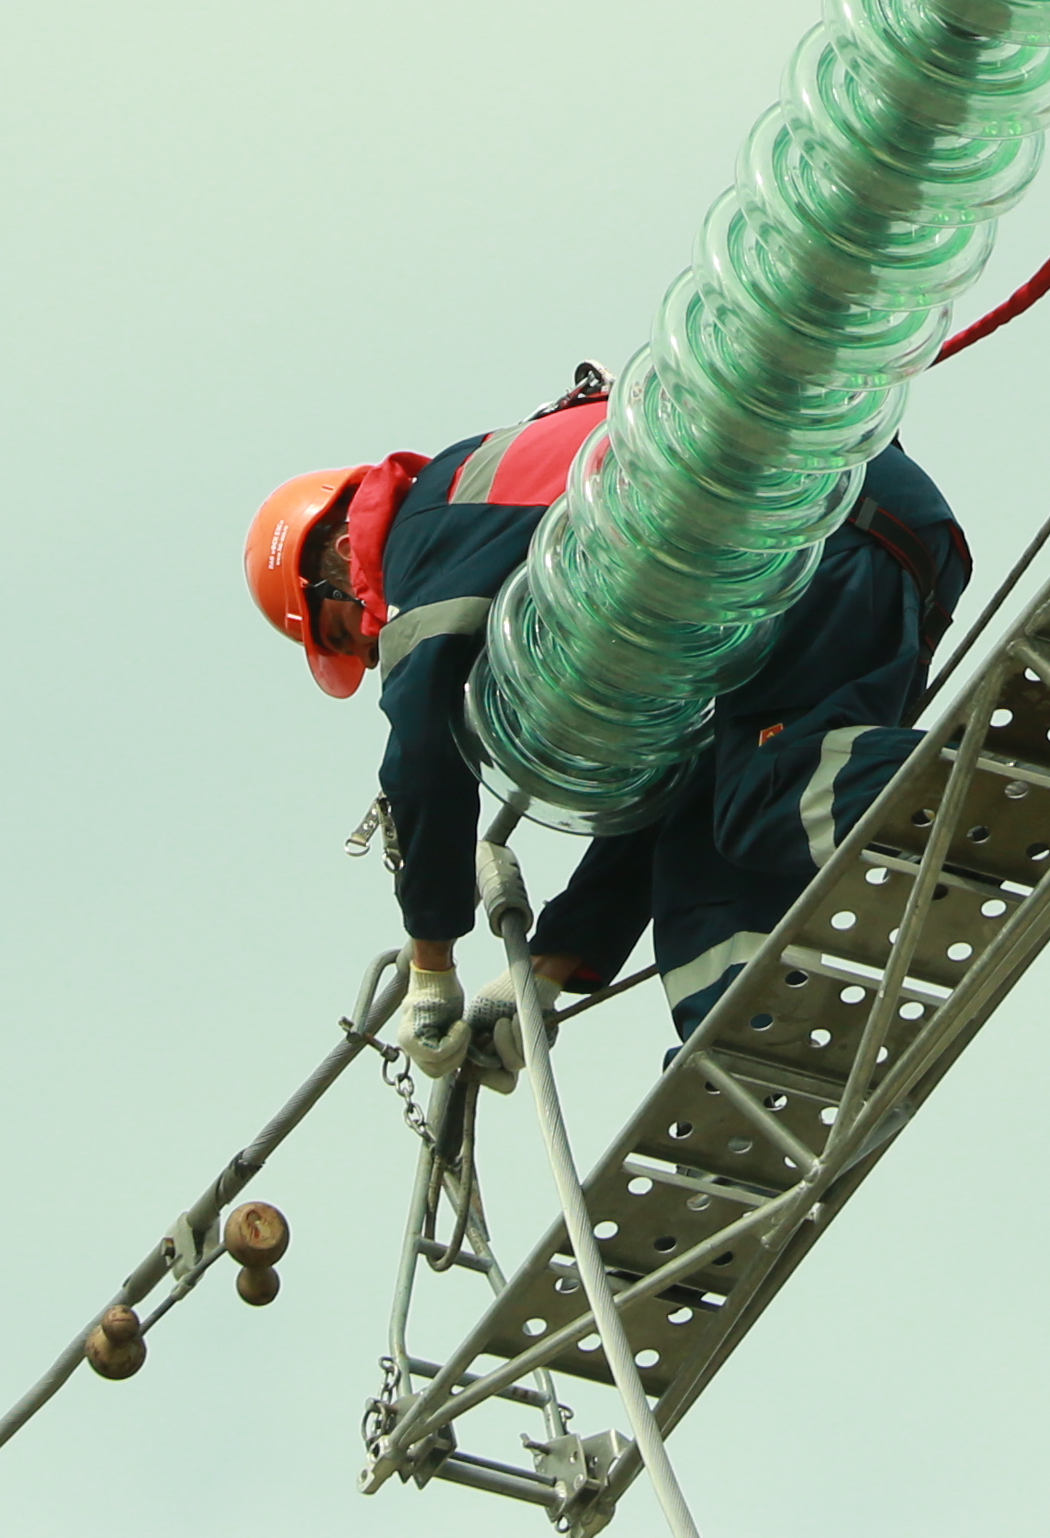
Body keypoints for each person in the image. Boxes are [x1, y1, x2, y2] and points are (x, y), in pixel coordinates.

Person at [247, 375, 970, 1078]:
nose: (374, 651)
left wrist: (432, 964)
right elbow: (668, 783)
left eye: (346, 633)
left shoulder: (430, 525)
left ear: (340, 554)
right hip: (854, 533)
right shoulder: (513, 521)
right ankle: (748, 1058)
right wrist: (548, 968)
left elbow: (423, 755)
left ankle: (967, 774)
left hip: (799, 523)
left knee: (774, 787)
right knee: (712, 843)